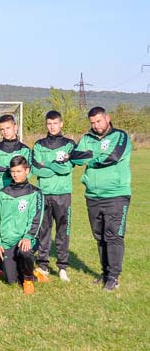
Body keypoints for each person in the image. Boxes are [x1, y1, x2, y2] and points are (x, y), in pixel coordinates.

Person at [71, 106, 132, 291]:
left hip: (116, 195)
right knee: (99, 237)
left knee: (113, 235)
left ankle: (114, 277)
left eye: (99, 121)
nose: (96, 125)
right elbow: (75, 157)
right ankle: (105, 273)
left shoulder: (120, 136)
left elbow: (112, 157)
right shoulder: (87, 138)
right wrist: (93, 155)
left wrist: (90, 157)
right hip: (92, 195)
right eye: (92, 122)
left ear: (107, 118)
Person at [31, 110, 76, 282]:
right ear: (46, 124)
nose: (52, 126)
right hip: (44, 193)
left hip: (62, 194)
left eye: (55, 123)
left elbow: (67, 168)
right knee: (44, 231)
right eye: (49, 123)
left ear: (61, 123)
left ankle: (63, 267)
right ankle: (43, 265)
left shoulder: (69, 144)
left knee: (63, 231)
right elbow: (36, 169)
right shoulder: (39, 145)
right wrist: (56, 165)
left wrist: (48, 164)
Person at [0, 114, 31, 277]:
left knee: (17, 226)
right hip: (0, 194)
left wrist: (3, 168)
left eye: (8, 128)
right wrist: (10, 168)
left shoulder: (25, 149)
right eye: (2, 129)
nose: (5, 132)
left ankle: (20, 259)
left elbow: (27, 171)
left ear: (15, 127)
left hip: (20, 196)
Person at [0, 156, 43, 294]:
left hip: (25, 239)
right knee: (10, 280)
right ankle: (33, 272)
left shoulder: (35, 193)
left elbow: (37, 218)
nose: (15, 174)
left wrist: (28, 236)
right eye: (13, 171)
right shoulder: (3, 193)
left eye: (19, 171)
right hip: (8, 241)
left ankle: (28, 279)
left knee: (24, 251)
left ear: (27, 171)